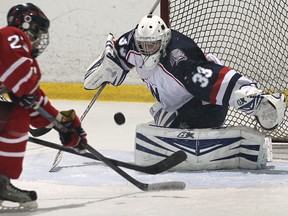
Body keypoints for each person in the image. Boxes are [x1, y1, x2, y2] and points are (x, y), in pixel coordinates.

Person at [84, 14, 286, 131]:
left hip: (205, 107)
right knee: (160, 115)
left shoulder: (178, 60)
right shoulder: (134, 42)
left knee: (166, 119)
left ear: (163, 41)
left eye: (152, 45)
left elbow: (215, 80)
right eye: (143, 45)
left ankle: (257, 100)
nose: (147, 50)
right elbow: (119, 52)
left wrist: (255, 101)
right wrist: (110, 65)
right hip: (174, 103)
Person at [0, 3, 87, 209]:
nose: (39, 38)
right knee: (17, 117)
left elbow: (31, 99)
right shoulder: (11, 35)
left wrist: (61, 123)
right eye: (38, 30)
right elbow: (27, 90)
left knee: (15, 111)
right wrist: (60, 124)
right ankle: (1, 184)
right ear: (26, 24)